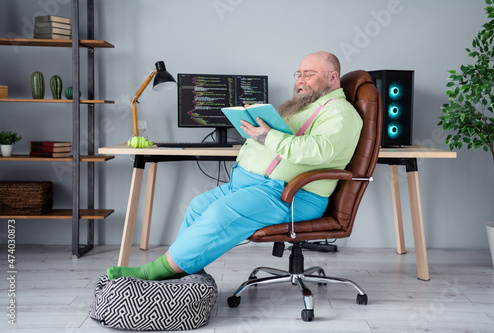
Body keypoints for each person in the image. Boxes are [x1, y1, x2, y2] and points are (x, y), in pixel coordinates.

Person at [107, 51, 363, 281]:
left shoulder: (340, 113)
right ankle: (185, 276)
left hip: (292, 195)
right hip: (253, 186)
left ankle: (155, 272)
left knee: (220, 214)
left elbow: (317, 151)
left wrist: (267, 136)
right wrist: (256, 124)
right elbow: (283, 141)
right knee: (198, 207)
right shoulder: (303, 107)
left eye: (309, 74)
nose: (300, 80)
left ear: (332, 77)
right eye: (299, 74)